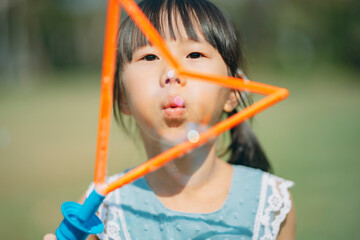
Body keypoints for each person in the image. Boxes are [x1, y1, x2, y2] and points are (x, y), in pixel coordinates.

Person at [44, 0, 295, 239]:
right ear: (122, 98)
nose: (172, 73)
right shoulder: (101, 209)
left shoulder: (270, 204)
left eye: (195, 54)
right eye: (150, 57)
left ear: (232, 93)